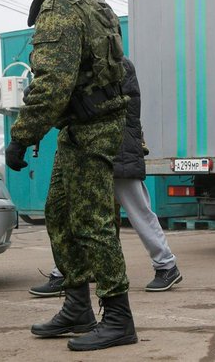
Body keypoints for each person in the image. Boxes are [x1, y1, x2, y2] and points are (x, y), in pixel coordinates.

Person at [5, 0, 137, 350]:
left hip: (91, 127)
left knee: (91, 220)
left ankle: (118, 317)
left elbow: (52, 85)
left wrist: (21, 137)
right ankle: (77, 305)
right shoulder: (93, 1)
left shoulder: (59, 9)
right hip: (83, 125)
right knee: (59, 212)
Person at [29, 57, 183, 297]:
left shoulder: (115, 65)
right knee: (75, 212)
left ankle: (166, 265)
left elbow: (104, 108)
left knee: (137, 209)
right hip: (95, 146)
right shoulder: (87, 63)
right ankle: (66, 272)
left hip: (117, 147)